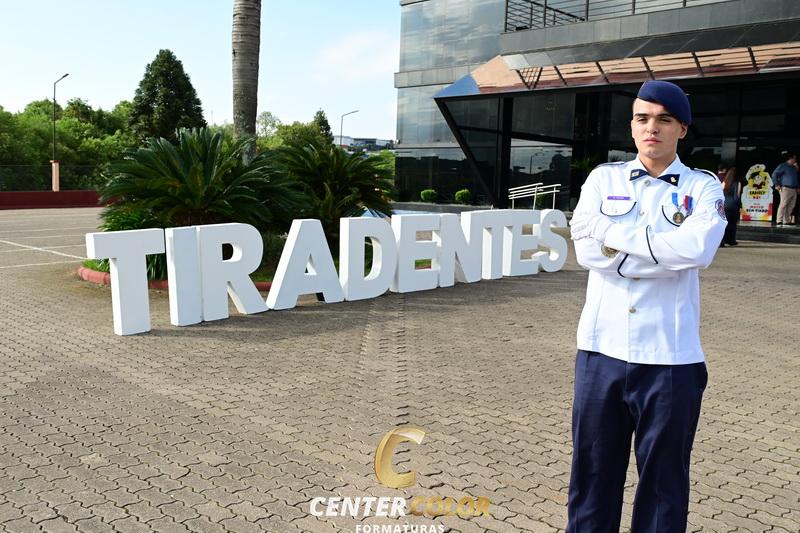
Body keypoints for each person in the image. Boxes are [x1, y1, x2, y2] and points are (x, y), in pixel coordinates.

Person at [567, 80, 726, 533]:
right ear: (633, 126)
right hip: (601, 352)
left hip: (671, 358)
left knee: (663, 489)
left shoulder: (703, 188)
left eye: (663, 119)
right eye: (642, 118)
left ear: (682, 129)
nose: (651, 127)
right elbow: (586, 251)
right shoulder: (604, 179)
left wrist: (611, 234)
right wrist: (664, 255)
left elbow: (697, 250)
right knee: (591, 479)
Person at [773, 153, 798, 226]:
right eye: (794, 158)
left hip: (793, 189)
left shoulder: (794, 167)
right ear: (790, 158)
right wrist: (776, 184)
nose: (795, 160)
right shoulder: (783, 166)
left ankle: (786, 220)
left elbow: (795, 178)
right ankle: (779, 220)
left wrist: (797, 187)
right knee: (783, 204)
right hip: (785, 188)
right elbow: (774, 174)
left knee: (791, 205)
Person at [720, 166, 741, 246]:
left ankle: (722, 241)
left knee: (724, 224)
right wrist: (740, 205)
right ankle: (731, 240)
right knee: (732, 224)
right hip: (733, 206)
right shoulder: (737, 183)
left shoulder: (724, 182)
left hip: (724, 205)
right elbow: (736, 197)